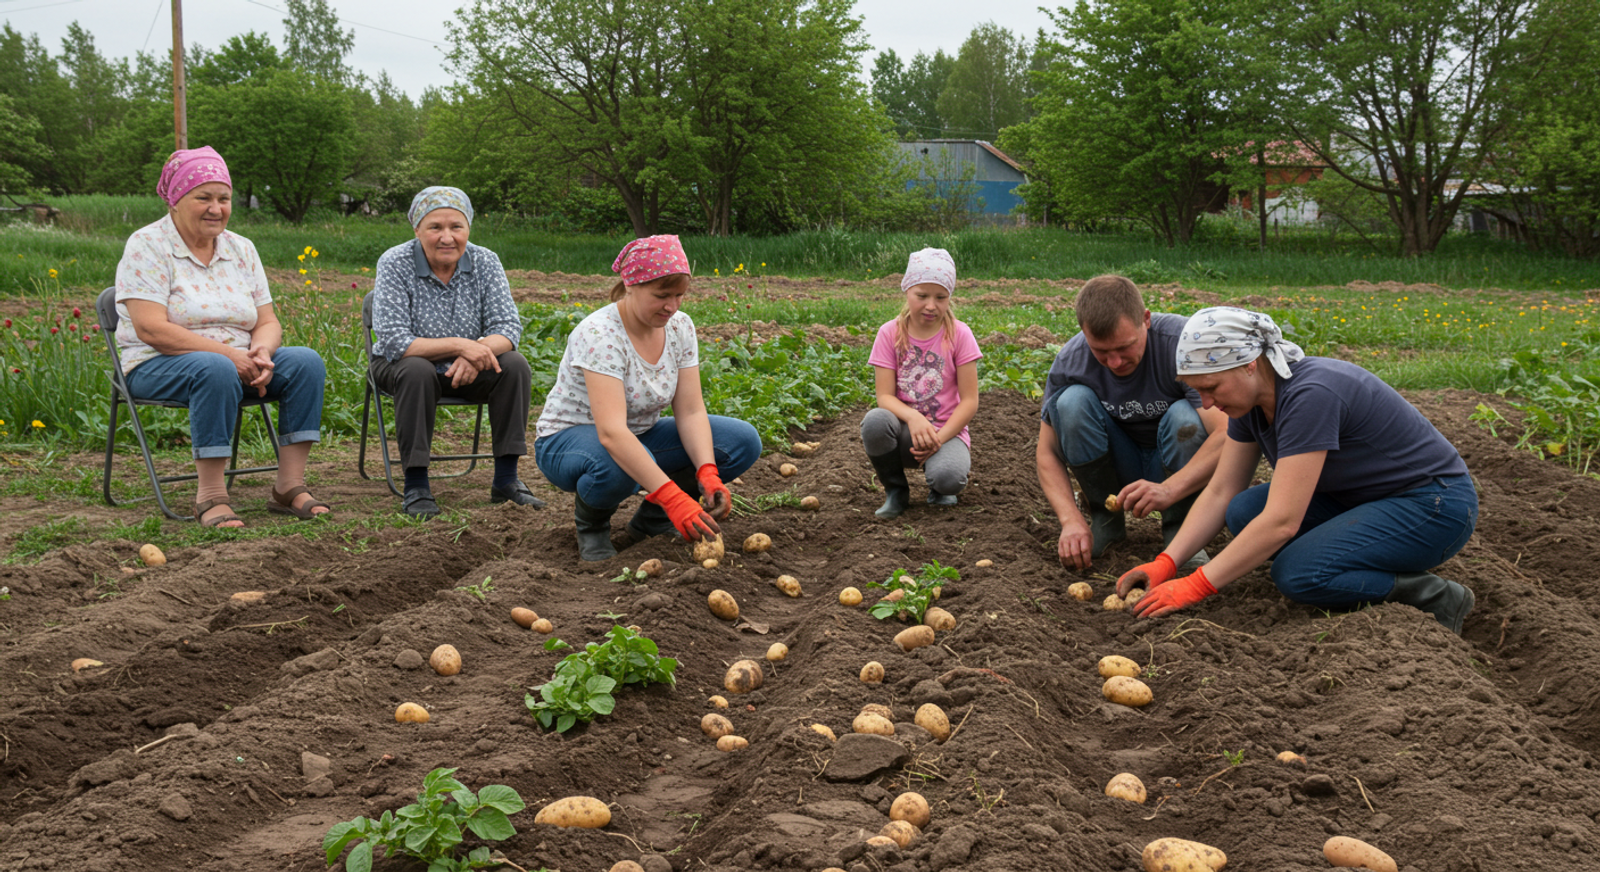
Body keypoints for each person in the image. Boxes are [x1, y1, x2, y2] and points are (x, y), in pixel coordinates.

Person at [1116, 306, 1477, 635]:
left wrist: (1197, 585)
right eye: (1198, 391)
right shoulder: (1252, 404)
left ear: (1249, 363)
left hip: (1434, 505)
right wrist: (1167, 562)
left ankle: (1435, 596)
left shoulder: (1311, 394)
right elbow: (1221, 490)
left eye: (1210, 388)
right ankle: (1353, 554)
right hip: (1360, 500)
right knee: (1242, 510)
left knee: (1299, 573)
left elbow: (1282, 522)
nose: (1206, 403)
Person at [115, 146, 330, 528]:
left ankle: (288, 487)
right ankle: (211, 496)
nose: (216, 208)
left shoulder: (241, 248)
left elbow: (268, 320)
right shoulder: (147, 246)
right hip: (156, 363)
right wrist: (231, 357)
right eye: (204, 198)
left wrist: (261, 351)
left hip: (239, 360)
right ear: (176, 200)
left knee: (306, 363)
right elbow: (151, 329)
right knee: (213, 367)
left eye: (224, 198)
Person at [535, 235, 762, 561]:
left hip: (639, 437)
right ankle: (593, 527)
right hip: (568, 441)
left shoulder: (680, 327)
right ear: (630, 285)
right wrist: (673, 497)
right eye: (661, 295)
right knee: (618, 463)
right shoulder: (600, 334)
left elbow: (691, 410)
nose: (672, 306)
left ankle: (652, 521)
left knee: (739, 442)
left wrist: (707, 471)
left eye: (679, 295)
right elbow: (612, 433)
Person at [369, 186, 546, 519]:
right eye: (435, 227)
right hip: (402, 367)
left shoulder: (485, 261)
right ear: (417, 229)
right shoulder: (395, 262)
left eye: (456, 227)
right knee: (418, 370)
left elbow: (508, 329)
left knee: (514, 365)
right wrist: (460, 346)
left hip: (467, 367)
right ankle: (417, 485)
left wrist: (472, 354)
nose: (446, 237)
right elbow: (395, 342)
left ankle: (506, 480)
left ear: (468, 230)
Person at [1036, 275, 1228, 569]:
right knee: (1070, 402)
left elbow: (1226, 434)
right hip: (1117, 462)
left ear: (1146, 320)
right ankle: (1105, 519)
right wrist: (1070, 519)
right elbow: (1047, 452)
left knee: (1184, 418)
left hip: (1175, 464)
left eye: (1125, 347)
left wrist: (1169, 490)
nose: (1115, 362)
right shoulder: (1071, 361)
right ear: (1084, 333)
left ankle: (1182, 528)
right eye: (1101, 351)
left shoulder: (1183, 346)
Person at [862, 248, 981, 518]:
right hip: (905, 433)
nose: (931, 305)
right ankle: (896, 491)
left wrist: (939, 438)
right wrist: (913, 418)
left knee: (949, 479)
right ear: (907, 291)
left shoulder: (960, 335)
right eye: (922, 296)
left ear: (950, 297)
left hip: (946, 431)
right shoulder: (889, 333)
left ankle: (939, 486)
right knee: (876, 420)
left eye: (941, 297)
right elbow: (885, 397)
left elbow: (970, 400)